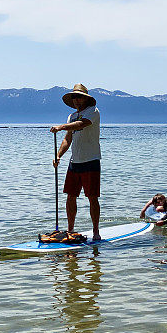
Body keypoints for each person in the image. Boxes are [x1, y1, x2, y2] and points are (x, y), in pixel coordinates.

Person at [50, 84, 102, 241]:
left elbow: (82, 124)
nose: (76, 100)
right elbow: (68, 138)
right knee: (70, 197)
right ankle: (70, 230)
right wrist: (59, 155)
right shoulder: (71, 116)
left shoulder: (93, 112)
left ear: (85, 99)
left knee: (92, 197)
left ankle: (96, 232)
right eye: (74, 97)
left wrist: (61, 126)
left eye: (79, 97)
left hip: (91, 160)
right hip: (75, 162)